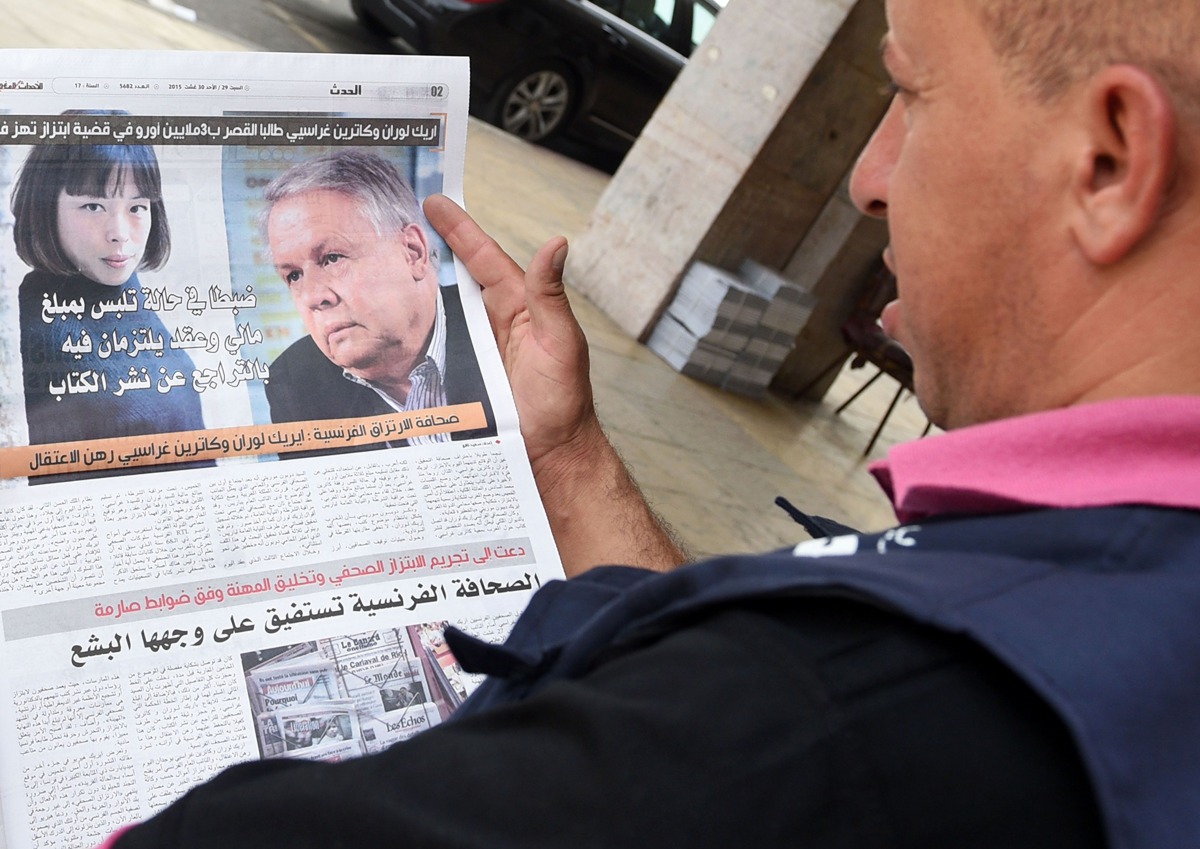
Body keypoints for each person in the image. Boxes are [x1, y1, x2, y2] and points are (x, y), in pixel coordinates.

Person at [101, 0, 1200, 846]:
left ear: (1105, 160)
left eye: (910, 96)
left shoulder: (804, 721)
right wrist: (568, 455)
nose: (867, 179)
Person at [14, 113, 207, 477]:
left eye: (137, 207)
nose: (120, 233)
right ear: (45, 207)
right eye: (93, 206)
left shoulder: (130, 298)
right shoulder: (31, 326)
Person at [261, 149, 494, 450]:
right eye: (293, 276)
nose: (313, 297)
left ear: (413, 251)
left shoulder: (495, 325)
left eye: (332, 258)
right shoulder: (294, 381)